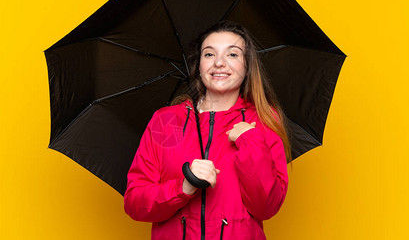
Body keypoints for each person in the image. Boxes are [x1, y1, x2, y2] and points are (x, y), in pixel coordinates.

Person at [124, 20, 291, 240]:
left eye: (232, 54)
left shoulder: (262, 120)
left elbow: (266, 207)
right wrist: (184, 187)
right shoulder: (167, 121)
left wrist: (249, 141)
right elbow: (135, 203)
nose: (219, 63)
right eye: (209, 54)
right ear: (198, 66)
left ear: (248, 66)